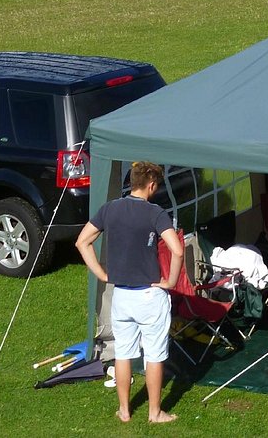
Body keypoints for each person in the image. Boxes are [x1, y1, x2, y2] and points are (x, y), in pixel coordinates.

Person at [76, 162, 183, 424]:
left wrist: (101, 274)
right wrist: (170, 281)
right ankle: (155, 413)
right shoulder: (155, 213)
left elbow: (82, 241)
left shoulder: (110, 208)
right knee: (154, 355)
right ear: (152, 185)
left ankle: (124, 411)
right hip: (149, 295)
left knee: (123, 354)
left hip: (121, 295)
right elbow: (178, 250)